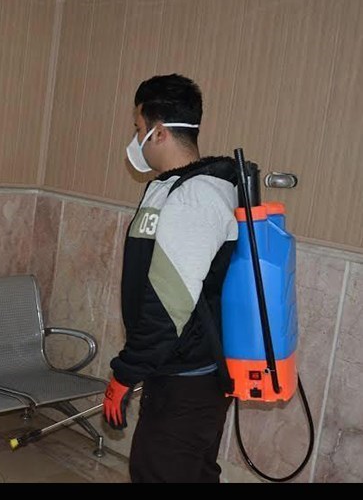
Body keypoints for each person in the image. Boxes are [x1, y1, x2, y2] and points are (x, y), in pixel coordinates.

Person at [102, 74, 239, 483]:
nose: (136, 139)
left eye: (138, 129)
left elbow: (168, 304)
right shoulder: (169, 189)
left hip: (190, 380)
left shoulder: (197, 197)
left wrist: (125, 373)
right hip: (174, 371)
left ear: (159, 131)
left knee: (158, 473)